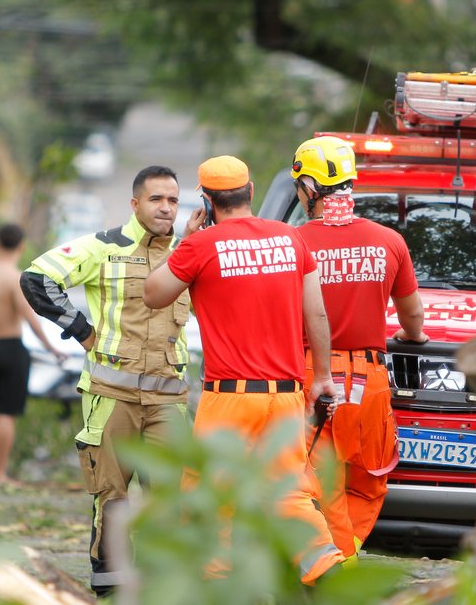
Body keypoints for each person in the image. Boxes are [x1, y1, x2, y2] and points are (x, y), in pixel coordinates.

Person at [142, 155, 346, 585]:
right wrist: (323, 377)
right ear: (251, 192)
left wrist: (186, 241)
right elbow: (317, 314)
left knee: (212, 495)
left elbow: (153, 294)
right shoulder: (291, 238)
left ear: (206, 201)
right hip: (286, 396)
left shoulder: (200, 246)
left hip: (230, 399)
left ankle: (217, 584)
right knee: (290, 494)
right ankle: (326, 573)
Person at [19, 166, 194, 596]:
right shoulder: (105, 246)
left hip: (168, 400)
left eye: (173, 200)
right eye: (156, 199)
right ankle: (110, 589)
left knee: (173, 496)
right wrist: (80, 329)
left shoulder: (188, 253)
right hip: (111, 395)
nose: (166, 208)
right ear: (135, 204)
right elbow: (36, 278)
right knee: (112, 498)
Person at [289, 135, 427, 560]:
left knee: (319, 480)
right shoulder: (389, 240)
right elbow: (413, 317)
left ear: (309, 188)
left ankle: (329, 563)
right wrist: (413, 338)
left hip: (313, 377)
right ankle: (342, 558)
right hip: (370, 382)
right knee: (369, 479)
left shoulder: (292, 242)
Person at [0, 222, 64, 490]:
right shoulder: (14, 277)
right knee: (6, 413)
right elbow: (30, 318)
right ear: (21, 246)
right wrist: (52, 348)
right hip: (11, 348)